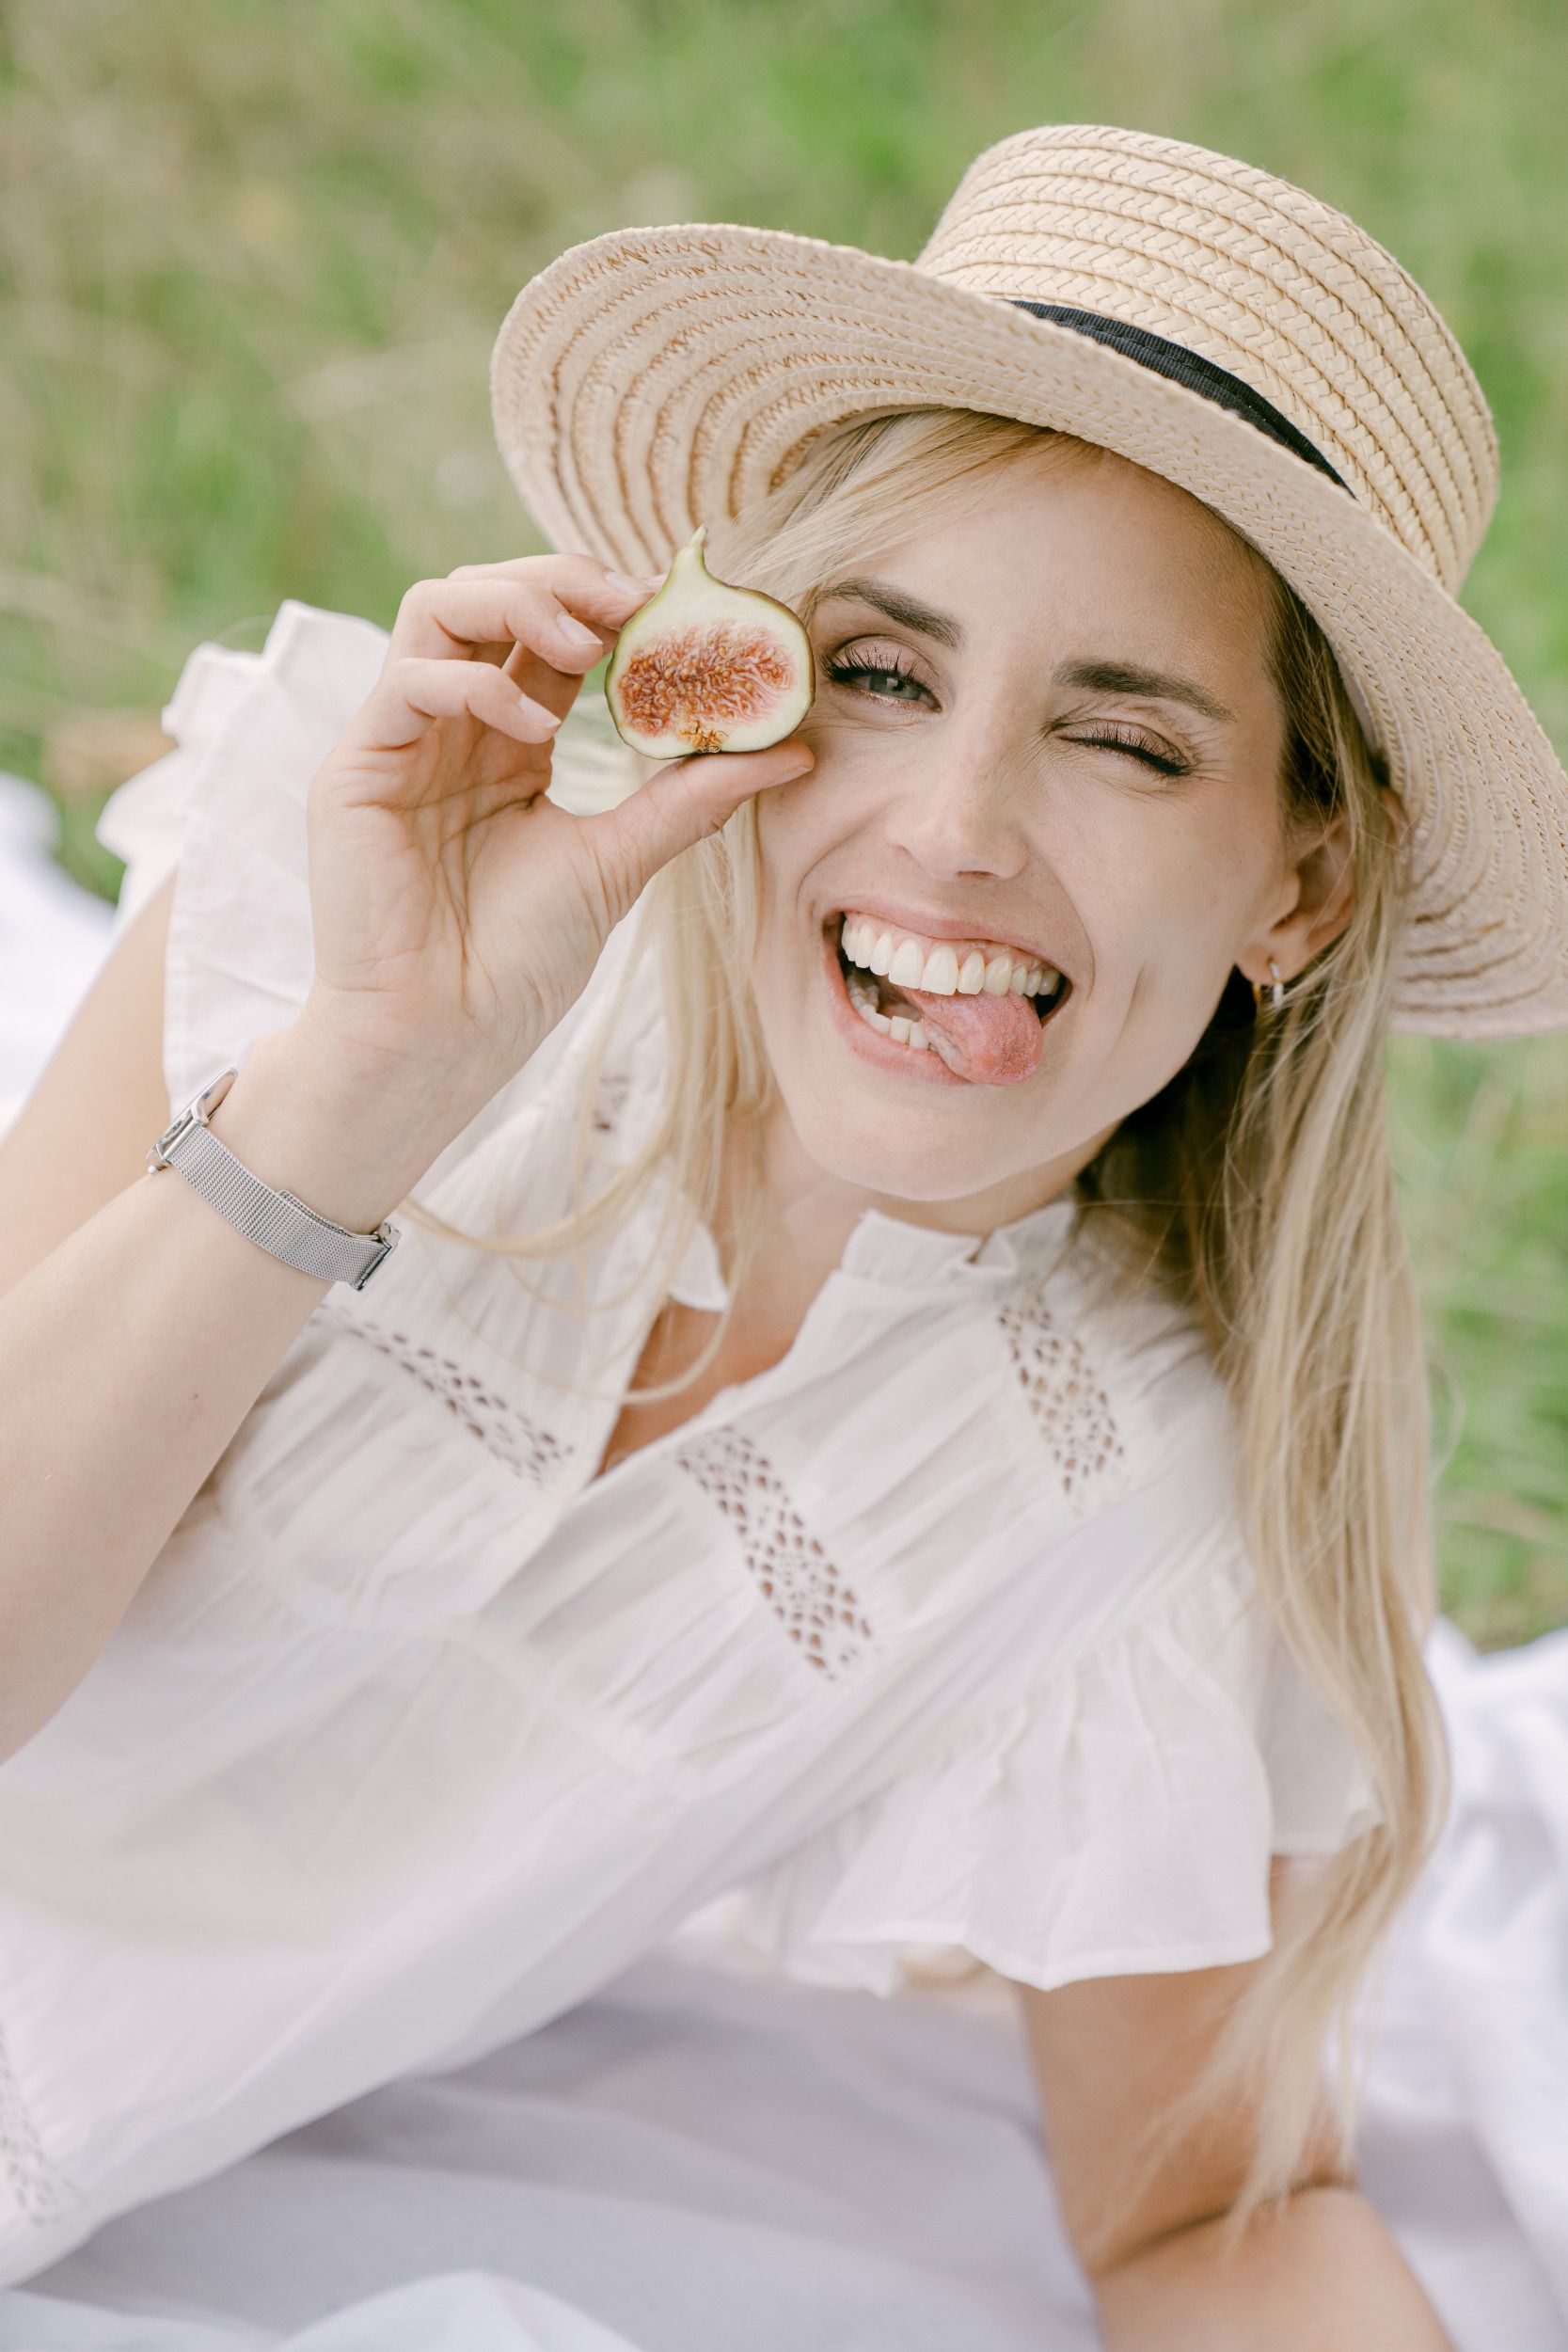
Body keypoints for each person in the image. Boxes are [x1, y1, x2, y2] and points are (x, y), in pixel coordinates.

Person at [0, 119, 1561, 2344]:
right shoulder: (341, 898)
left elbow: (1206, 2216)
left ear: (1301, 884)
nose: (955, 828)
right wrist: (370, 1071)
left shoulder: (1139, 1498)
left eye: (1124, 738)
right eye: (882, 675)